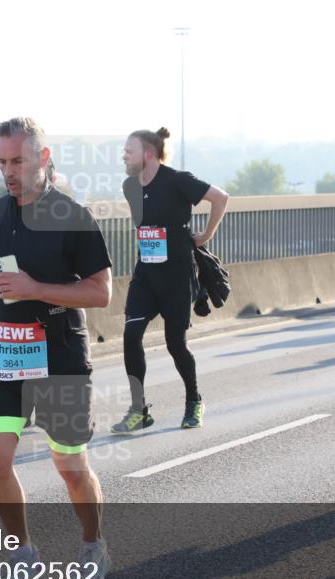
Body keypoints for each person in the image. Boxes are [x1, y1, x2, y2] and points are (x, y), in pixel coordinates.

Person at [0, 117, 114, 579]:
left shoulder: (73, 215)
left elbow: (101, 291)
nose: (9, 171)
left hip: (61, 355)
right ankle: (22, 554)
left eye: (17, 161)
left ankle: (93, 547)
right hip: (6, 353)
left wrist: (34, 289)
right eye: (2, 162)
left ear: (42, 159)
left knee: (70, 466)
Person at [110, 127, 229, 434]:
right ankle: (139, 410)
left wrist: (204, 236)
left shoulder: (178, 180)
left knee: (176, 345)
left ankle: (194, 401)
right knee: (130, 335)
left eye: (129, 150)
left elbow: (220, 198)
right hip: (146, 276)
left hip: (176, 276)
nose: (124, 155)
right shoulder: (129, 186)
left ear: (148, 154)